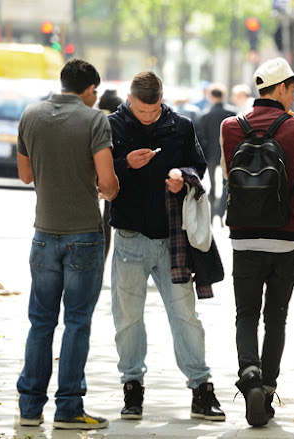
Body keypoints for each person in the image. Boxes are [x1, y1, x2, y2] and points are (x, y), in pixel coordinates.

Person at [108, 71, 225, 422]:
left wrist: (182, 177)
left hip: (172, 236)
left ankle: (201, 388)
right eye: (141, 110)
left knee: (185, 316)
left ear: (162, 100)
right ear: (129, 100)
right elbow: (99, 175)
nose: (147, 116)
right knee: (127, 318)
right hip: (129, 235)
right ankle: (132, 385)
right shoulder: (113, 126)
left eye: (154, 110)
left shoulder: (181, 125)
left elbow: (199, 165)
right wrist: (125, 164)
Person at [220, 57, 294, 426]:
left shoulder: (230, 127)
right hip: (286, 239)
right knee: (276, 318)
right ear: (280, 89)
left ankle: (249, 375)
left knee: (245, 314)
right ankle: (266, 388)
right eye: (292, 87)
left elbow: (228, 177)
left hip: (244, 239)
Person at [16, 58, 119, 430]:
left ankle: (29, 409)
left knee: (40, 323)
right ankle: (69, 409)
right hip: (84, 238)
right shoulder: (95, 120)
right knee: (77, 323)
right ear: (90, 89)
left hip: (43, 235)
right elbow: (108, 185)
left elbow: (25, 176)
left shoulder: (30, 115)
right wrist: (95, 184)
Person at [198, 83, 236, 224]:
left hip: (211, 153)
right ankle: (221, 213)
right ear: (223, 96)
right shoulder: (232, 113)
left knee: (212, 184)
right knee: (226, 183)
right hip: (228, 152)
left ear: (211, 96)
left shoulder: (206, 115)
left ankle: (212, 213)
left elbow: (202, 137)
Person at [97, 89, 124, 263]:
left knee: (103, 222)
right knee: (114, 222)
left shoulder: (96, 118)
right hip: (118, 175)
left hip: (99, 175)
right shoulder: (120, 121)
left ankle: (101, 263)